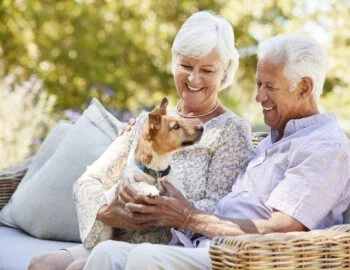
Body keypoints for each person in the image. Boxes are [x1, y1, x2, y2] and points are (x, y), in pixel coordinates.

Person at [81, 34, 350, 269]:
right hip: (204, 246)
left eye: (270, 86)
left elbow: (280, 227)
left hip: (244, 259)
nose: (259, 98)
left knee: (146, 259)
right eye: (258, 84)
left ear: (304, 87)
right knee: (107, 253)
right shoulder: (274, 140)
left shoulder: (324, 148)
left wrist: (188, 217)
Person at [29, 11, 254, 270]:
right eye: (185, 66)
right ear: (174, 61)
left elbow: (221, 208)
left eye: (207, 70)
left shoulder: (231, 131)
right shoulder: (149, 122)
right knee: (41, 264)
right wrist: (107, 211)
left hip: (171, 247)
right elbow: (89, 181)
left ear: (225, 70)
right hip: (121, 234)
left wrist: (160, 211)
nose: (193, 79)